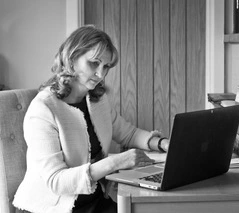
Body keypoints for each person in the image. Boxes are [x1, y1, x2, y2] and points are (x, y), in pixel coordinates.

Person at [12, 25, 169, 213]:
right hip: (52, 208)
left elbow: (128, 133)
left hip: (92, 202)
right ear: (71, 58)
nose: (101, 74)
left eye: (106, 67)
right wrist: (115, 162)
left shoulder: (97, 99)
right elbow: (56, 181)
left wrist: (163, 143)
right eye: (94, 63)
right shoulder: (43, 109)